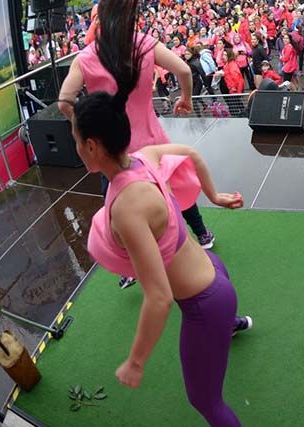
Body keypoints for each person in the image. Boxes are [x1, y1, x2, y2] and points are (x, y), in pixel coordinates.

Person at [73, 85, 250, 426]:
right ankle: (232, 324)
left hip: (204, 302)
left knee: (205, 401)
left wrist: (136, 362)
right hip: (213, 271)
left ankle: (227, 323)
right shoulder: (145, 157)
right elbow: (190, 154)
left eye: (77, 140)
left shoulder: (127, 208)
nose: (77, 148)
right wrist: (214, 196)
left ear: (92, 146)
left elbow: (158, 297)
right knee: (220, 317)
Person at [59, 0, 217, 291]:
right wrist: (187, 99)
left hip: (112, 151)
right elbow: (184, 70)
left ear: (99, 22)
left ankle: (131, 266)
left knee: (117, 208)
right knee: (172, 193)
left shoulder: (87, 56)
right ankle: (202, 234)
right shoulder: (144, 43)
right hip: (153, 141)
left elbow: (65, 101)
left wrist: (86, 125)